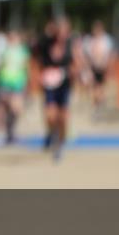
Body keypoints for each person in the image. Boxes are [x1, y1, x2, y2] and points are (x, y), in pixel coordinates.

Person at [35, 17, 83, 162]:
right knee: (50, 115)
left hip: (65, 84)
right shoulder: (46, 43)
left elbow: (77, 63)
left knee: (63, 118)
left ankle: (59, 145)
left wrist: (70, 72)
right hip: (49, 85)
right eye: (59, 30)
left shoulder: (71, 45)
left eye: (65, 30)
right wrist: (39, 76)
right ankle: (51, 134)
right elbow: (36, 61)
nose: (62, 34)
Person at [0, 29, 30, 145]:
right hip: (4, 82)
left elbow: (26, 67)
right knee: (1, 108)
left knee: (16, 109)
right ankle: (0, 133)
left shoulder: (23, 51)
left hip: (18, 83)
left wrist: (27, 83)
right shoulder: (4, 51)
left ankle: (11, 131)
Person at [82, 20, 114, 113]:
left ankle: (99, 103)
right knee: (94, 87)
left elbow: (110, 54)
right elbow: (86, 55)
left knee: (100, 86)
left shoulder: (106, 40)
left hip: (102, 67)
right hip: (93, 66)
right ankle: (97, 104)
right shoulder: (90, 40)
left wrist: (108, 66)